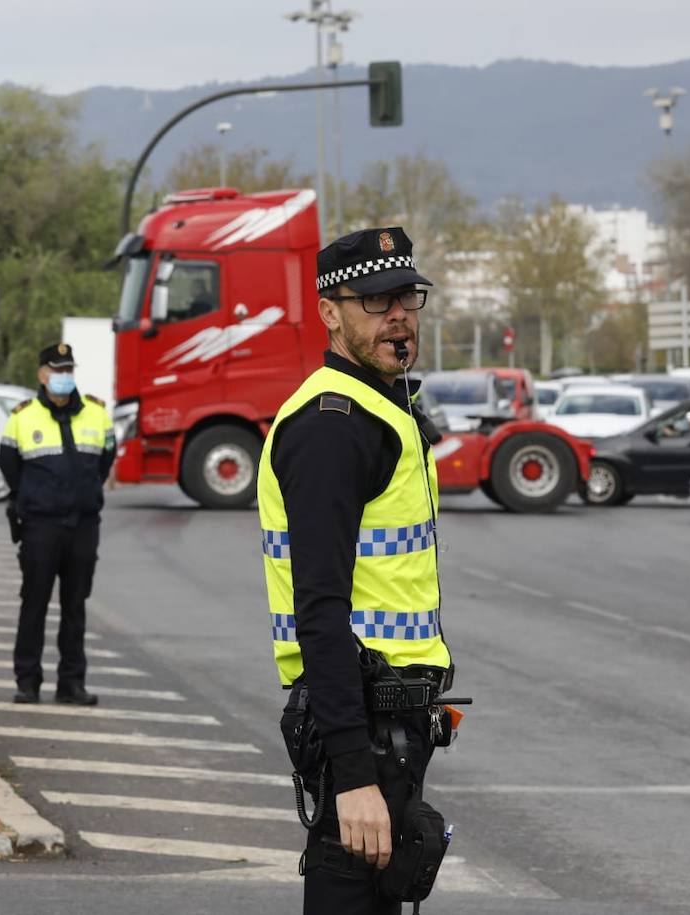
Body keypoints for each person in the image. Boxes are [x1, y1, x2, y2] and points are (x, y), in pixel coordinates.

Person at [258, 227, 455, 913]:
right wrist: (353, 776)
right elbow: (320, 607)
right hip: (360, 729)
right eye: (374, 300)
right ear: (330, 311)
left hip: (387, 724)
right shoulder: (331, 425)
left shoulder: (379, 406)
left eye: (406, 296)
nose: (396, 314)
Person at [0, 343, 114, 707]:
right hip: (40, 527)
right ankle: (27, 681)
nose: (64, 377)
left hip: (82, 525)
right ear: (42, 374)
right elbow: (10, 467)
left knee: (75, 607)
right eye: (57, 370)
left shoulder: (98, 415)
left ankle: (71, 684)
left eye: (69, 370)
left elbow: (104, 463)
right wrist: (34, 500)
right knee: (33, 604)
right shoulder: (22, 417)